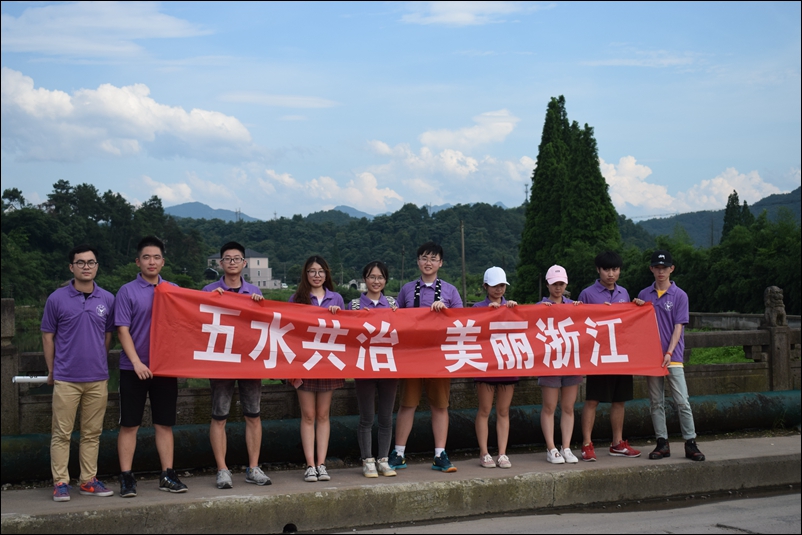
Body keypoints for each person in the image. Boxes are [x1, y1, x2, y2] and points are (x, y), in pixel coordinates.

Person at [115, 236, 187, 497]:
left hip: (164, 368)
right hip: (132, 368)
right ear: (138, 261)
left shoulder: (173, 290)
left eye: (156, 257)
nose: (151, 262)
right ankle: (126, 477)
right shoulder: (127, 291)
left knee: (164, 424)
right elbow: (122, 330)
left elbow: (192, 318)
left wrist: (217, 298)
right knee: (130, 424)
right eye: (146, 257)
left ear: (163, 262)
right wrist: (136, 362)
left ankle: (168, 474)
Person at [42, 244, 116, 502]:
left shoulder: (107, 299)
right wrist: (52, 370)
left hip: (97, 378)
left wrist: (98, 359)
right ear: (71, 267)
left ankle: (88, 480)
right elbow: (48, 336)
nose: (86, 267)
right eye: (81, 262)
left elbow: (108, 336)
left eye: (91, 262)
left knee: (92, 433)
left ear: (97, 266)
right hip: (66, 378)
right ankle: (60, 482)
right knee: (61, 433)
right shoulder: (56, 298)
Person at [389, 242, 463, 473]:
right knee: (407, 404)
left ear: (441, 263)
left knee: (440, 405)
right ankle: (398, 452)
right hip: (412, 355)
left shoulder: (450, 291)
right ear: (418, 261)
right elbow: (394, 319)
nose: (428, 262)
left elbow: (463, 321)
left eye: (433, 258)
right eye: (424, 258)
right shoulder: (407, 289)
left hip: (439, 356)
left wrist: (447, 312)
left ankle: (440, 454)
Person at [203, 241, 271, 489]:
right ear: (221, 263)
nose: (232, 262)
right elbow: (198, 322)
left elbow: (264, 324)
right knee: (219, 415)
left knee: (253, 414)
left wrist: (259, 305)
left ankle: (253, 467)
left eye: (237, 259)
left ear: (244, 263)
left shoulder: (255, 291)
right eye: (227, 259)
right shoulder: (209, 290)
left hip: (249, 361)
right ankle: (222, 469)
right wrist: (212, 302)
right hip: (221, 362)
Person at [633, 250, 705, 462]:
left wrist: (669, 352)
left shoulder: (680, 295)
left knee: (682, 401)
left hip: (673, 356)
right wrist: (636, 308)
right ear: (651, 269)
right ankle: (662, 442)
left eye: (664, 268)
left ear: (671, 269)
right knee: (656, 402)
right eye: (657, 267)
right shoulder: (644, 294)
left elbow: (678, 327)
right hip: (651, 357)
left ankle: (690, 442)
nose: (660, 271)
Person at [577, 251, 641, 461]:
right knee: (592, 400)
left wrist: (638, 307)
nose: (611, 274)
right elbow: (579, 322)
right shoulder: (587, 294)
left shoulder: (624, 293)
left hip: (620, 354)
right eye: (606, 269)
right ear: (598, 270)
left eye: (615, 269)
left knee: (619, 400)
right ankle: (587, 444)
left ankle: (617, 443)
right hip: (597, 354)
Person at [289, 255, 345, 483]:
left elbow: (346, 329)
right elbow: (290, 331)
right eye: (312, 271)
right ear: (306, 274)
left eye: (321, 271)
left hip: (328, 361)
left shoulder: (336, 298)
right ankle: (310, 465)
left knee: (323, 414)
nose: (316, 275)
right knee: (308, 415)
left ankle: (322, 464)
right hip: (305, 361)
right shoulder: (297, 298)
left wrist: (338, 315)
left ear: (326, 274)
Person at [346, 260, 399, 478]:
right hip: (364, 367)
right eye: (371, 277)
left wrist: (396, 315)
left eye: (380, 277)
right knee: (366, 417)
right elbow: (346, 334)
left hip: (388, 366)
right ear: (364, 279)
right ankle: (367, 460)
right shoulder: (354, 305)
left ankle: (383, 459)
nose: (376, 281)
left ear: (385, 280)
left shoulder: (393, 304)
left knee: (386, 417)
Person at [473, 267, 518, 469]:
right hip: (486, 365)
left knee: (503, 410)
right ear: (485, 286)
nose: (498, 289)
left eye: (501, 285)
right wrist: (486, 313)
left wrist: (513, 311)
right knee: (484, 409)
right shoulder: (477, 307)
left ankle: (502, 453)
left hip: (507, 363)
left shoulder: (511, 306)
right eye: (494, 286)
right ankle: (484, 452)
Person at [538, 265, 582, 464]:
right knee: (549, 406)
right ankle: (551, 448)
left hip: (571, 360)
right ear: (548, 284)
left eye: (561, 284)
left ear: (566, 284)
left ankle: (566, 447)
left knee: (568, 407)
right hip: (549, 362)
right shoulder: (540, 306)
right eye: (554, 283)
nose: (558, 287)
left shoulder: (574, 305)